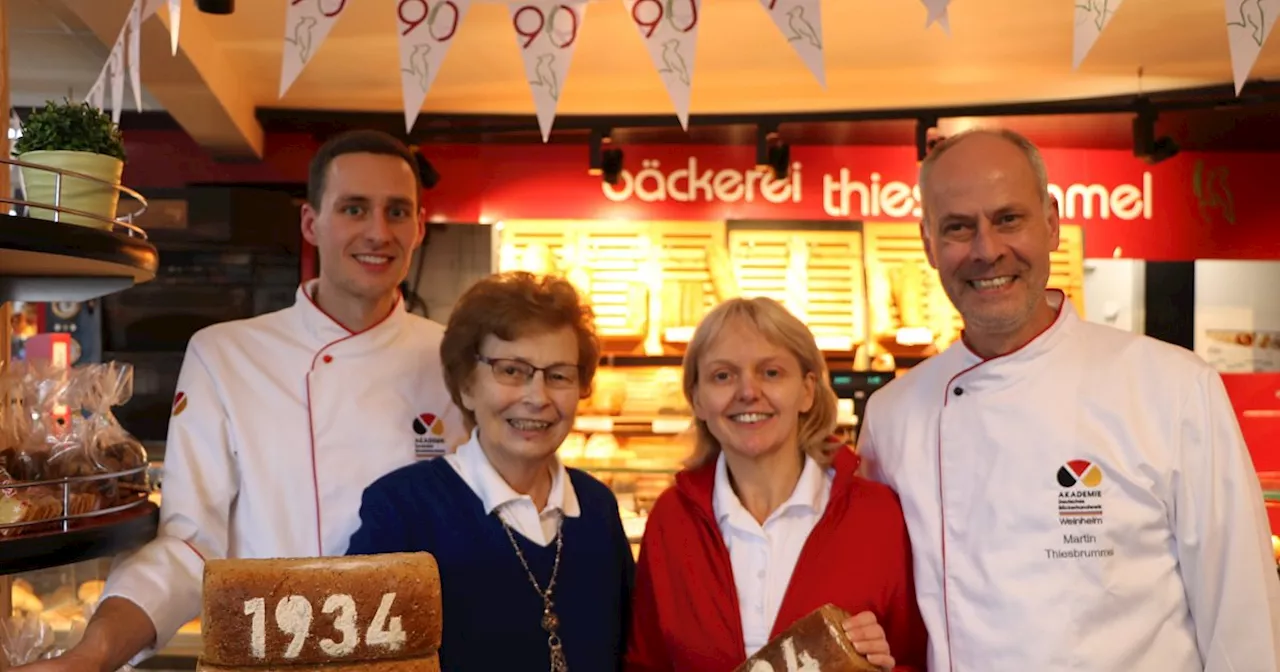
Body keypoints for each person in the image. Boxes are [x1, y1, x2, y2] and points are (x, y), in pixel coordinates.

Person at [18, 129, 467, 672]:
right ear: (311, 223)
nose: (378, 231)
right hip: (268, 663)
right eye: (354, 208)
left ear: (419, 226)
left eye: (398, 212)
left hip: (415, 663)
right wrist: (93, 655)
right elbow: (190, 546)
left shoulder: (456, 360)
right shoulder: (225, 355)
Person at [857, 127, 1280, 671]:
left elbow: (1241, 615)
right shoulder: (894, 417)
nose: (987, 250)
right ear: (929, 245)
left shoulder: (1172, 388)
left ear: (1052, 222)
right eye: (958, 228)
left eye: (1009, 219)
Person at [346, 271, 635, 671]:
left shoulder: (596, 506)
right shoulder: (402, 509)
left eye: (559, 375)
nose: (538, 397)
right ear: (466, 384)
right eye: (512, 371)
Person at [625, 297, 928, 671]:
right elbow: (646, 664)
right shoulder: (671, 519)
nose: (748, 391)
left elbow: (916, 657)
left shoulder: (877, 515)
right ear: (698, 400)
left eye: (771, 373)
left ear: (806, 391)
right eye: (723, 375)